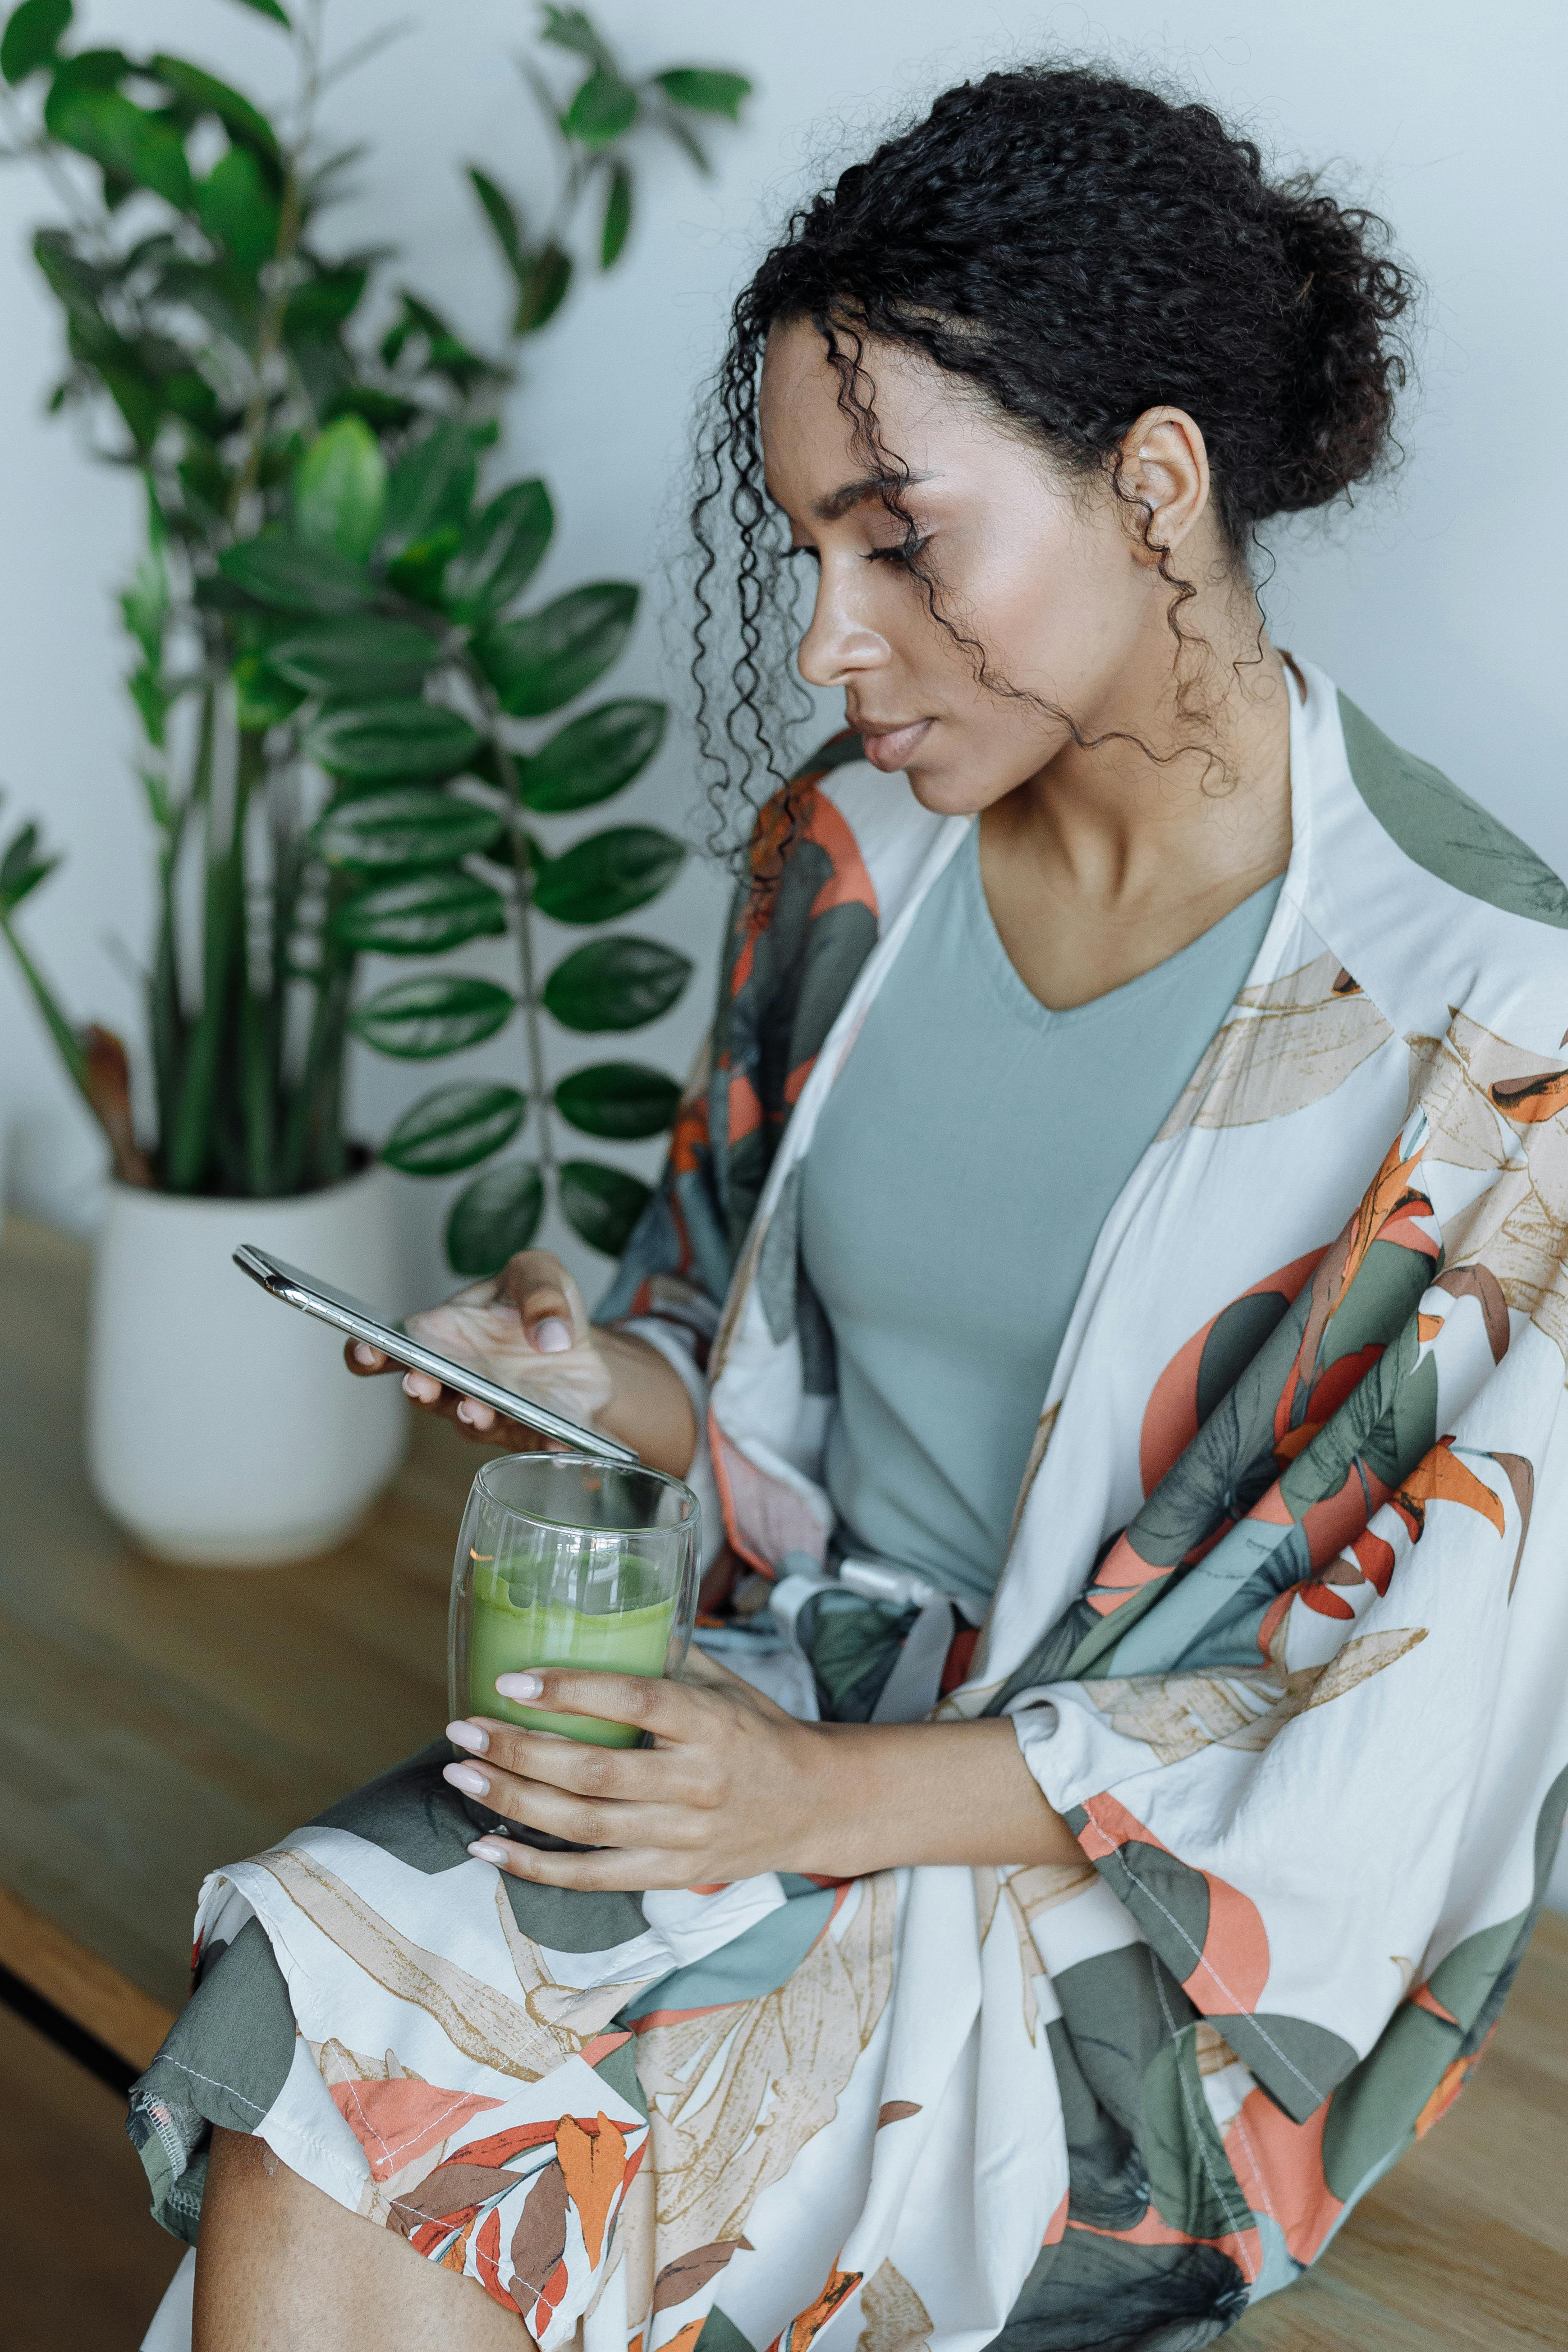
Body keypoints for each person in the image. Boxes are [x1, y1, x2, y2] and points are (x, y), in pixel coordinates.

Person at [131, 64, 1568, 2352]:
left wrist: (814, 1798)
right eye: (808, 551)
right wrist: (583, 1375)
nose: (829, 638)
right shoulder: (851, 855)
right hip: (753, 1730)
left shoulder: (1495, 1041)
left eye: (900, 544)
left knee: (374, 2074)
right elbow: (726, 1374)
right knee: (324, 1985)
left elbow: (1384, 1747)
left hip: (1134, 1966)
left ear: (1158, 486)